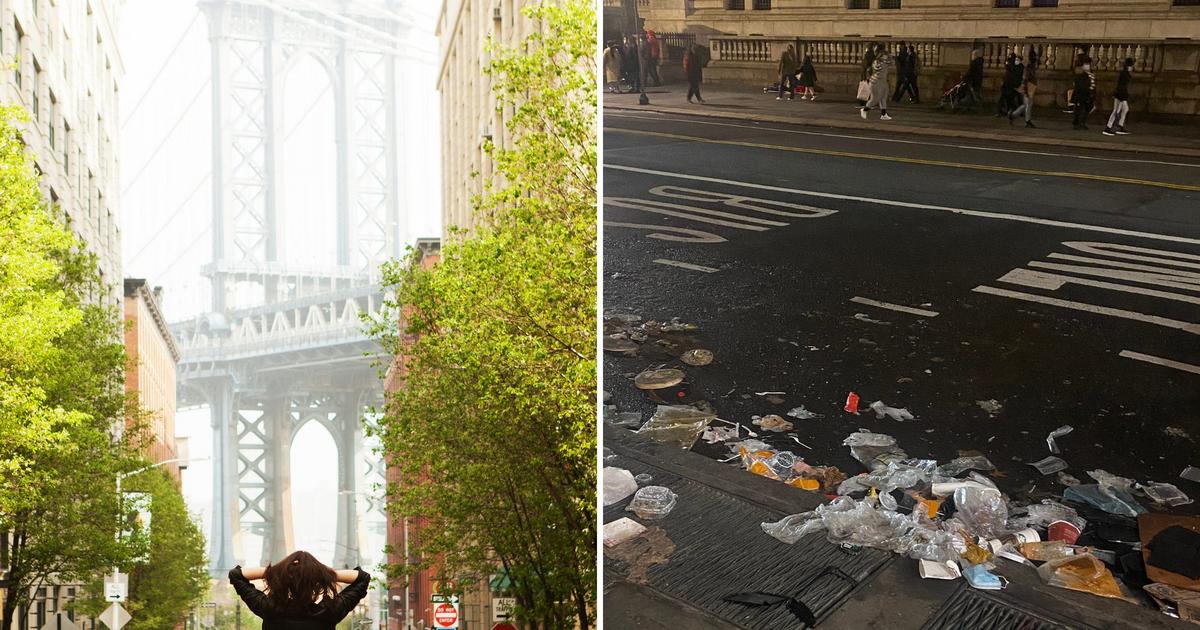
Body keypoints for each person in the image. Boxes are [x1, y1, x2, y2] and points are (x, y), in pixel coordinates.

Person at [230, 551, 371, 629]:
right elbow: (363, 578)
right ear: (315, 584)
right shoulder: (329, 612)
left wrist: (277, 572)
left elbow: (236, 575)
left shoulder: (269, 609)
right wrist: (323, 573)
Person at [861, 43, 894, 120]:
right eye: (883, 54)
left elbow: (892, 62)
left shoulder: (885, 60)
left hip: (883, 81)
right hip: (876, 81)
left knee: (883, 97)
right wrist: (885, 61)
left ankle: (883, 114)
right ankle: (865, 109)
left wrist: (888, 60)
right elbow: (877, 67)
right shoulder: (877, 61)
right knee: (875, 98)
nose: (885, 56)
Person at [1104, 57, 1134, 136]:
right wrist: (1122, 97)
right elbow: (1122, 86)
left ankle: (1120, 126)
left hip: (1121, 95)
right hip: (1120, 95)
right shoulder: (1125, 74)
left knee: (1125, 109)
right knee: (1116, 111)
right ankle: (1108, 127)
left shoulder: (1124, 73)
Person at [1009, 50, 1037, 128]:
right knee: (1028, 104)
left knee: (1026, 104)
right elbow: (1025, 79)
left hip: (1030, 86)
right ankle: (1027, 121)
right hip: (1028, 86)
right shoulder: (1028, 67)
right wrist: (1025, 90)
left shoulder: (1030, 66)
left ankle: (1013, 115)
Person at [1072, 56, 1096, 130]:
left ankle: (1079, 122)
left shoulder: (1089, 73)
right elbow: (1080, 84)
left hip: (1086, 94)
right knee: (1081, 108)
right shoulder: (1081, 74)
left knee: (1084, 108)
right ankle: (1079, 122)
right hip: (1083, 94)